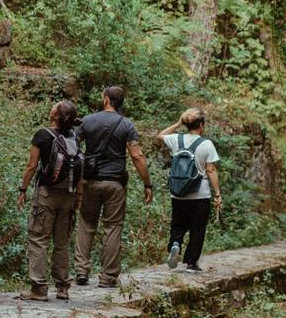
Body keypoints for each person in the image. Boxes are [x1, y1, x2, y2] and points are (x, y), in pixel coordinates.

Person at [74, 85, 151, 288]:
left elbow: (72, 145)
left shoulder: (88, 120)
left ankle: (81, 271)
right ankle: (107, 277)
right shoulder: (126, 125)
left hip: (90, 181)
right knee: (113, 227)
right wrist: (147, 183)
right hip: (115, 182)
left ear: (106, 99)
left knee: (86, 224)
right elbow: (137, 156)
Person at [17, 100, 83, 300]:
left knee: (39, 239)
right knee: (62, 242)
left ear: (56, 115)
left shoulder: (42, 135)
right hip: (69, 195)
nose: (51, 107)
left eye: (54, 106)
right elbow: (80, 168)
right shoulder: (73, 136)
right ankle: (62, 287)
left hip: (46, 194)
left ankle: (38, 289)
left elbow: (31, 165)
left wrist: (23, 190)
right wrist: (78, 196)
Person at [156, 107, 222, 271]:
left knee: (177, 225)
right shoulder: (206, 144)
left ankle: (175, 243)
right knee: (197, 228)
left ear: (186, 124)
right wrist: (218, 194)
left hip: (178, 193)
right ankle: (191, 263)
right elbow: (211, 170)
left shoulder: (176, 140)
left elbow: (160, 135)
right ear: (201, 125)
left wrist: (178, 123)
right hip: (200, 194)